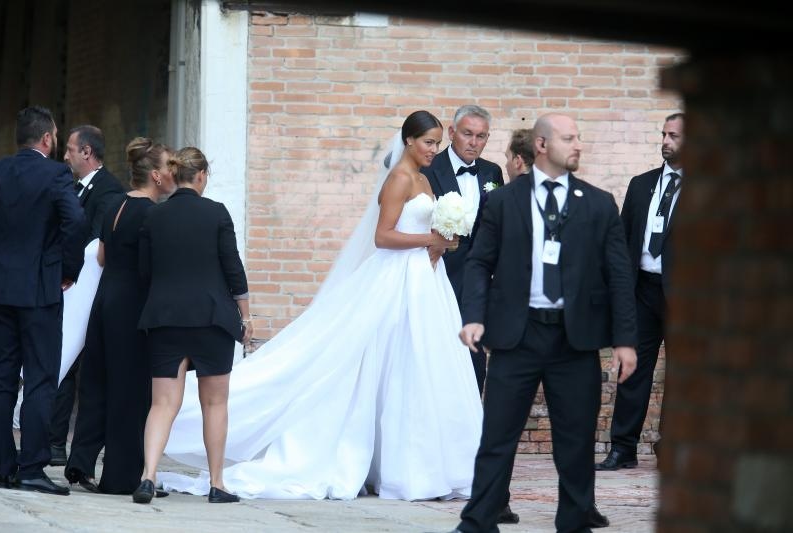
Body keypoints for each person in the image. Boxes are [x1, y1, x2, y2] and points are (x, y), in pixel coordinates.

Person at [155, 110, 482, 502]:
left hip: (425, 282)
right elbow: (383, 236)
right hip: (396, 277)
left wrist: (444, 240)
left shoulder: (425, 179)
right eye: (428, 142)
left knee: (421, 366)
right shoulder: (398, 178)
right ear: (409, 140)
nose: (434, 150)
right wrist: (428, 240)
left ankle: (420, 462)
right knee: (389, 363)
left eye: (437, 144)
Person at [451, 113, 638, 533]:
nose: (577, 145)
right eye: (568, 138)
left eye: (578, 137)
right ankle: (478, 522)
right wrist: (474, 317)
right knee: (497, 437)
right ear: (540, 144)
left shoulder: (598, 203)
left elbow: (620, 276)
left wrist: (626, 340)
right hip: (517, 335)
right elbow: (480, 263)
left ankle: (574, 522)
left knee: (575, 442)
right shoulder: (503, 201)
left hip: (575, 340)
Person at [133, 147, 251, 504]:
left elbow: (144, 271)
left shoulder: (154, 216)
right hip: (211, 319)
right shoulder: (216, 213)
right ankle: (217, 484)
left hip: (165, 318)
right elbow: (233, 268)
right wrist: (245, 317)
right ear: (200, 176)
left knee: (162, 404)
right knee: (214, 404)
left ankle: (148, 476)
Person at [64, 138, 176, 494]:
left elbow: (100, 258)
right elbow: (153, 268)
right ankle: (121, 476)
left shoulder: (115, 204)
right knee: (130, 389)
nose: (174, 172)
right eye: (169, 166)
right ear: (156, 176)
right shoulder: (155, 215)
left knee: (96, 381)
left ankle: (79, 461)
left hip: (105, 300)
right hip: (133, 306)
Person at [0, 106, 86, 495]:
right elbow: (76, 222)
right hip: (40, 291)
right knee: (41, 378)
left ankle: (3, 467)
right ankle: (31, 466)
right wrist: (68, 269)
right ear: (47, 139)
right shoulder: (56, 174)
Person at [597, 112, 684, 471]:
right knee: (632, 370)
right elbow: (621, 241)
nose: (665, 141)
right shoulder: (641, 183)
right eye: (664, 134)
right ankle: (623, 448)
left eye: (674, 136)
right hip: (643, 291)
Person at [49, 124, 125, 467]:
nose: (64, 155)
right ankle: (52, 440)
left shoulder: (108, 191)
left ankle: (56, 443)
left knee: (71, 364)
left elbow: (96, 243)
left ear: (87, 153)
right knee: (60, 362)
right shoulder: (72, 184)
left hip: (87, 294)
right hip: (69, 289)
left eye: (69, 149)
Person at [422, 105, 504, 396]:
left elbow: (496, 226)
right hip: (438, 272)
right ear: (452, 132)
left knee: (474, 354)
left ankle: (469, 423)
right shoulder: (428, 168)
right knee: (435, 348)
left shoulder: (493, 172)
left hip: (478, 280)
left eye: (481, 136)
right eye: (467, 134)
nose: (474, 142)